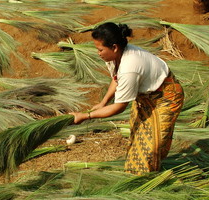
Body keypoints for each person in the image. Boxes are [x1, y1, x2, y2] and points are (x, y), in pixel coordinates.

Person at [70, 22, 184, 175]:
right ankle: (136, 172)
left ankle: (146, 179)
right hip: (145, 97)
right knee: (138, 136)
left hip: (166, 98)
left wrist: (86, 116)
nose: (98, 53)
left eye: (100, 49)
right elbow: (116, 80)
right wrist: (103, 102)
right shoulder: (116, 57)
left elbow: (119, 107)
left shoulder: (130, 67)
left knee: (153, 144)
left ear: (114, 47)